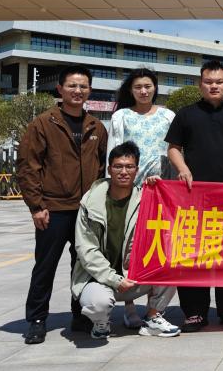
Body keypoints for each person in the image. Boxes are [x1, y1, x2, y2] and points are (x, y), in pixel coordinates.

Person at [18, 65, 108, 345]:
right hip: (53, 208)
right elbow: (28, 166)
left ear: (90, 90)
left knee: (83, 265)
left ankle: (80, 314)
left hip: (86, 211)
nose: (77, 91)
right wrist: (36, 206)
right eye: (72, 86)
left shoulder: (97, 127)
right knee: (45, 266)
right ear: (60, 89)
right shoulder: (43, 124)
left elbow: (103, 167)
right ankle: (36, 320)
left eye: (83, 86)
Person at [165, 60, 223, 332]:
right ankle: (194, 312)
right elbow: (173, 148)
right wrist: (183, 168)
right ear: (200, 84)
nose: (214, 86)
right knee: (193, 255)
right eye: (208, 82)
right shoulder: (186, 114)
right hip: (193, 199)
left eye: (219, 82)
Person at [73, 141, 180, 339]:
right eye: (118, 166)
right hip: (98, 279)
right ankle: (101, 323)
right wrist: (114, 279)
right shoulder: (90, 203)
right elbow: (86, 250)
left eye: (129, 167)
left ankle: (153, 317)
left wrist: (158, 188)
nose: (123, 172)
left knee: (171, 265)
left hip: (133, 277)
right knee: (98, 304)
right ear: (109, 169)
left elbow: (168, 222)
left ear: (136, 170)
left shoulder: (145, 198)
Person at [107, 67, 175, 329]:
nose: (144, 91)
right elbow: (113, 154)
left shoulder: (168, 116)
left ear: (155, 88)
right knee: (130, 250)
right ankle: (129, 306)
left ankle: (154, 308)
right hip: (131, 193)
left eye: (148, 86)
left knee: (160, 249)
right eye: (138, 87)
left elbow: (175, 151)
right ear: (131, 90)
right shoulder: (121, 117)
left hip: (161, 194)